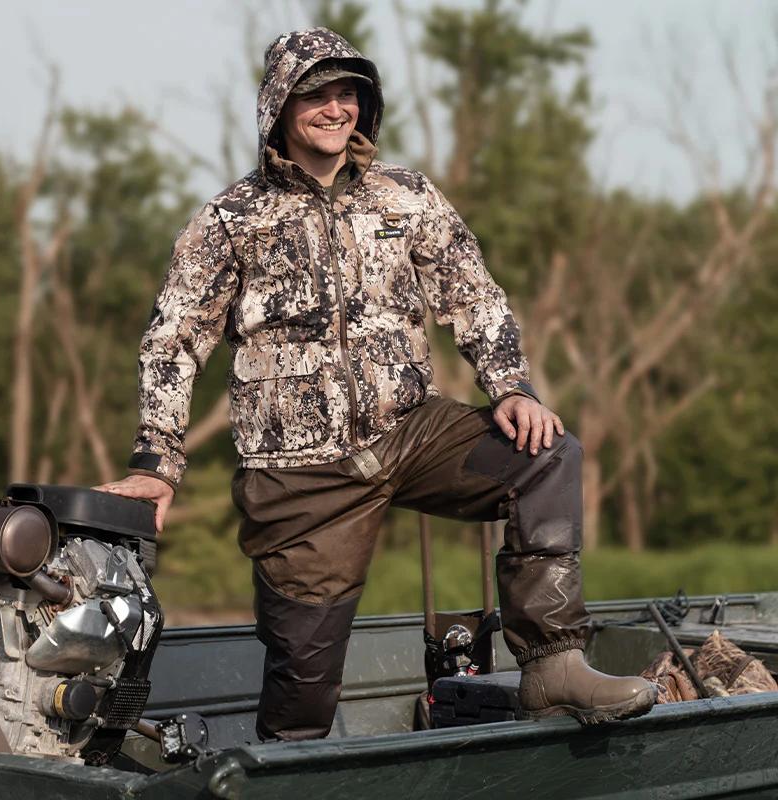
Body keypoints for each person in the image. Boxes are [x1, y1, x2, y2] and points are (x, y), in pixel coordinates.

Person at [95, 27, 656, 740]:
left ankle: (553, 664)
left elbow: (474, 295)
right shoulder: (231, 219)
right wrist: (157, 462)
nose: (335, 109)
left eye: (348, 93)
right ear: (278, 107)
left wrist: (512, 386)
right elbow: (174, 340)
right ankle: (290, 771)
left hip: (411, 432)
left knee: (546, 454)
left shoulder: (408, 197)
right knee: (301, 691)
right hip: (300, 475)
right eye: (316, 96)